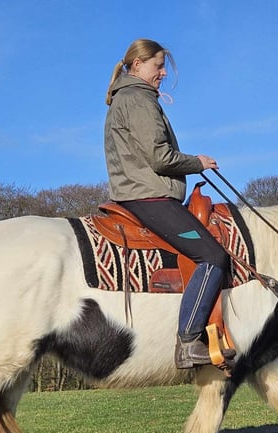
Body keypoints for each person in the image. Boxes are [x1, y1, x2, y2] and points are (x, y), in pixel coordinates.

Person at [104, 38, 232, 369]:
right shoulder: (138, 100)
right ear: (137, 65)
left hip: (136, 192)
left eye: (163, 66)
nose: (162, 73)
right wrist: (197, 162)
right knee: (213, 256)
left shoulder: (129, 98)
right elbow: (159, 157)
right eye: (158, 65)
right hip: (148, 196)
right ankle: (189, 341)